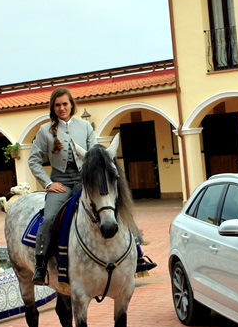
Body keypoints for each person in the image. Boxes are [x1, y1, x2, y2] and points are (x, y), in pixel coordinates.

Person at [28, 87, 156, 286]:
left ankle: (137, 254)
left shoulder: (85, 127)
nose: (62, 108)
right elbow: (33, 160)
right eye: (58, 105)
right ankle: (41, 263)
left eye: (65, 104)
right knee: (49, 218)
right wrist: (49, 183)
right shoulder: (45, 131)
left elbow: (95, 154)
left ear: (72, 105)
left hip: (84, 181)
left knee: (112, 207)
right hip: (60, 183)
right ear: (53, 108)